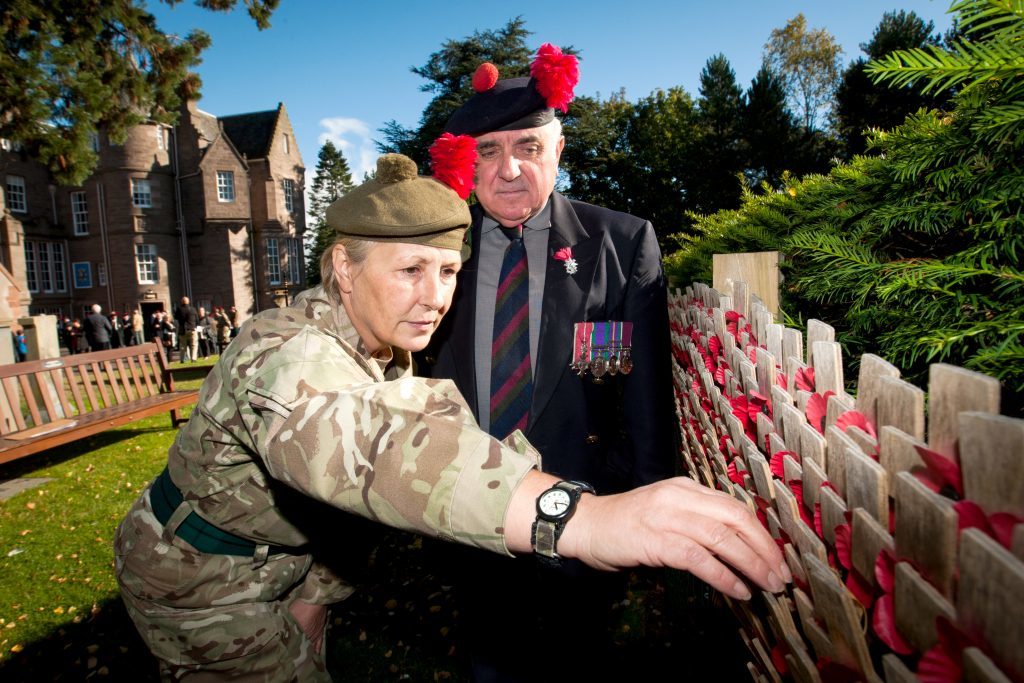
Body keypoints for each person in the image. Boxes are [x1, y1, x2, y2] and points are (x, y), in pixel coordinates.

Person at [114, 152, 788, 681]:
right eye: (410, 269)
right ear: (343, 269)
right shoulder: (285, 350)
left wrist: (318, 592)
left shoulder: (386, 346)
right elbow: (369, 450)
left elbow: (367, 488)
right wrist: (581, 517)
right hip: (201, 581)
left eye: (447, 271)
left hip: (284, 567)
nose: (434, 298)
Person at [419, 46, 677, 679]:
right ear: (465, 165)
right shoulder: (433, 252)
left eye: (528, 148)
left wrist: (640, 502)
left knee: (580, 663)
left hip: (585, 515)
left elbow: (643, 396)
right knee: (491, 664)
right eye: (487, 150)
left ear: (557, 154)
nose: (507, 169)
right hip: (467, 514)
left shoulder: (621, 243)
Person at [174, 296, 199, 362]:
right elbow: (197, 320)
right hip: (192, 329)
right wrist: (195, 326)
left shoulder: (179, 309)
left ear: (182, 302)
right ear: (188, 302)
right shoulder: (193, 309)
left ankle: (182, 359)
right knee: (194, 344)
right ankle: (193, 358)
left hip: (183, 330)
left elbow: (176, 318)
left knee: (183, 346)